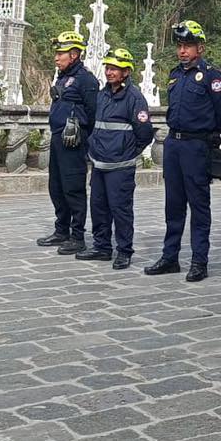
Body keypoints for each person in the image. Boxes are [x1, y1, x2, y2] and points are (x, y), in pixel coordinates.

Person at [144, 20, 221, 281]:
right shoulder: (174, 75)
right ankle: (170, 257)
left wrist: (203, 135)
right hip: (173, 145)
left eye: (188, 46)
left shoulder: (212, 76)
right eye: (180, 46)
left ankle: (199, 261)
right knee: (173, 204)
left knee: (199, 206)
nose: (183, 51)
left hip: (196, 146)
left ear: (200, 48)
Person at [75, 47, 154, 270]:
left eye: (115, 69)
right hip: (99, 163)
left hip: (121, 166)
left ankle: (124, 251)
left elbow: (144, 133)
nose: (110, 72)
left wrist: (127, 151)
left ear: (126, 72)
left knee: (120, 209)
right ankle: (101, 247)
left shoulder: (134, 98)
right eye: (108, 68)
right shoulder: (102, 95)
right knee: (98, 206)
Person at [37, 30, 98, 255]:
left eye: (60, 53)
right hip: (57, 138)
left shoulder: (87, 79)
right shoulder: (62, 77)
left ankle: (77, 235)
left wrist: (85, 139)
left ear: (74, 54)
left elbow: (93, 112)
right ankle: (61, 230)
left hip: (73, 141)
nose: (56, 57)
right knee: (56, 187)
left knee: (73, 188)